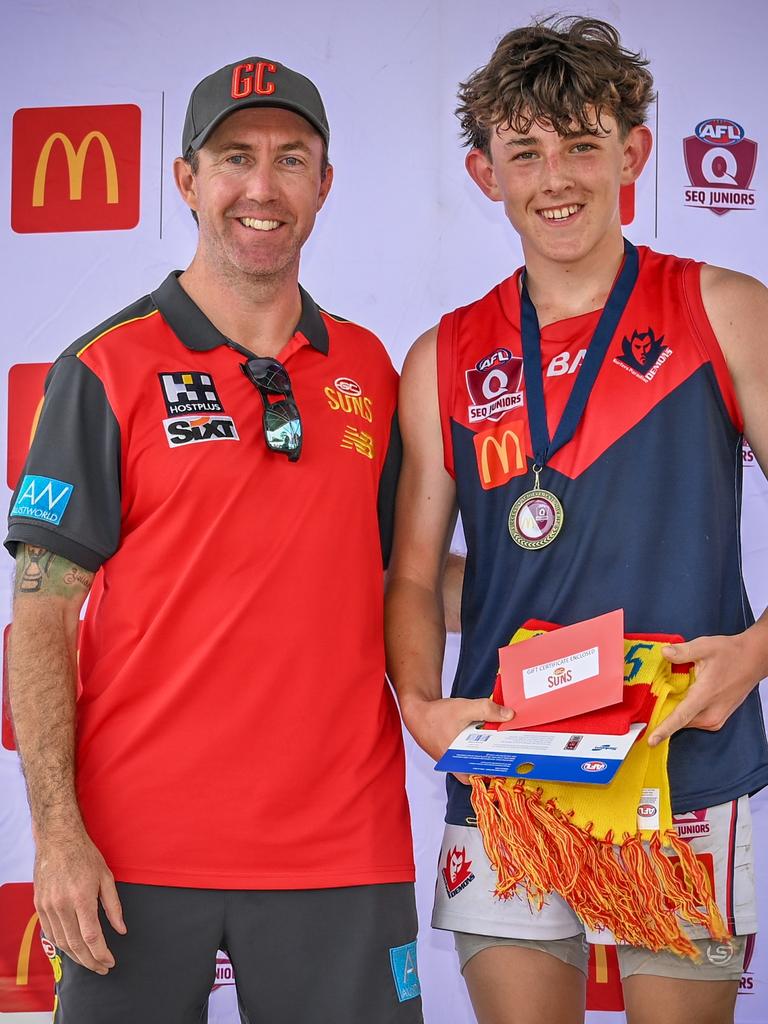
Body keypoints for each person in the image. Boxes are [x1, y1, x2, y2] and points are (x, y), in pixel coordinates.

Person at [6, 57, 424, 1024]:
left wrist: (551, 593)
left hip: (341, 850)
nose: (262, 187)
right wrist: (58, 837)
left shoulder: (367, 366)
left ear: (325, 184)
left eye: (292, 158)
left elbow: (402, 572)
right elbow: (40, 617)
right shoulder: (105, 367)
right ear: (188, 180)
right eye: (235, 157)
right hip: (135, 856)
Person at [385, 16, 768, 1024]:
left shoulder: (722, 308)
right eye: (526, 150)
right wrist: (422, 708)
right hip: (512, 764)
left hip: (683, 752)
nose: (556, 175)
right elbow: (414, 575)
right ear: (487, 173)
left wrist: (757, 651)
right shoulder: (444, 357)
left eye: (583, 143)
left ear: (633, 153)